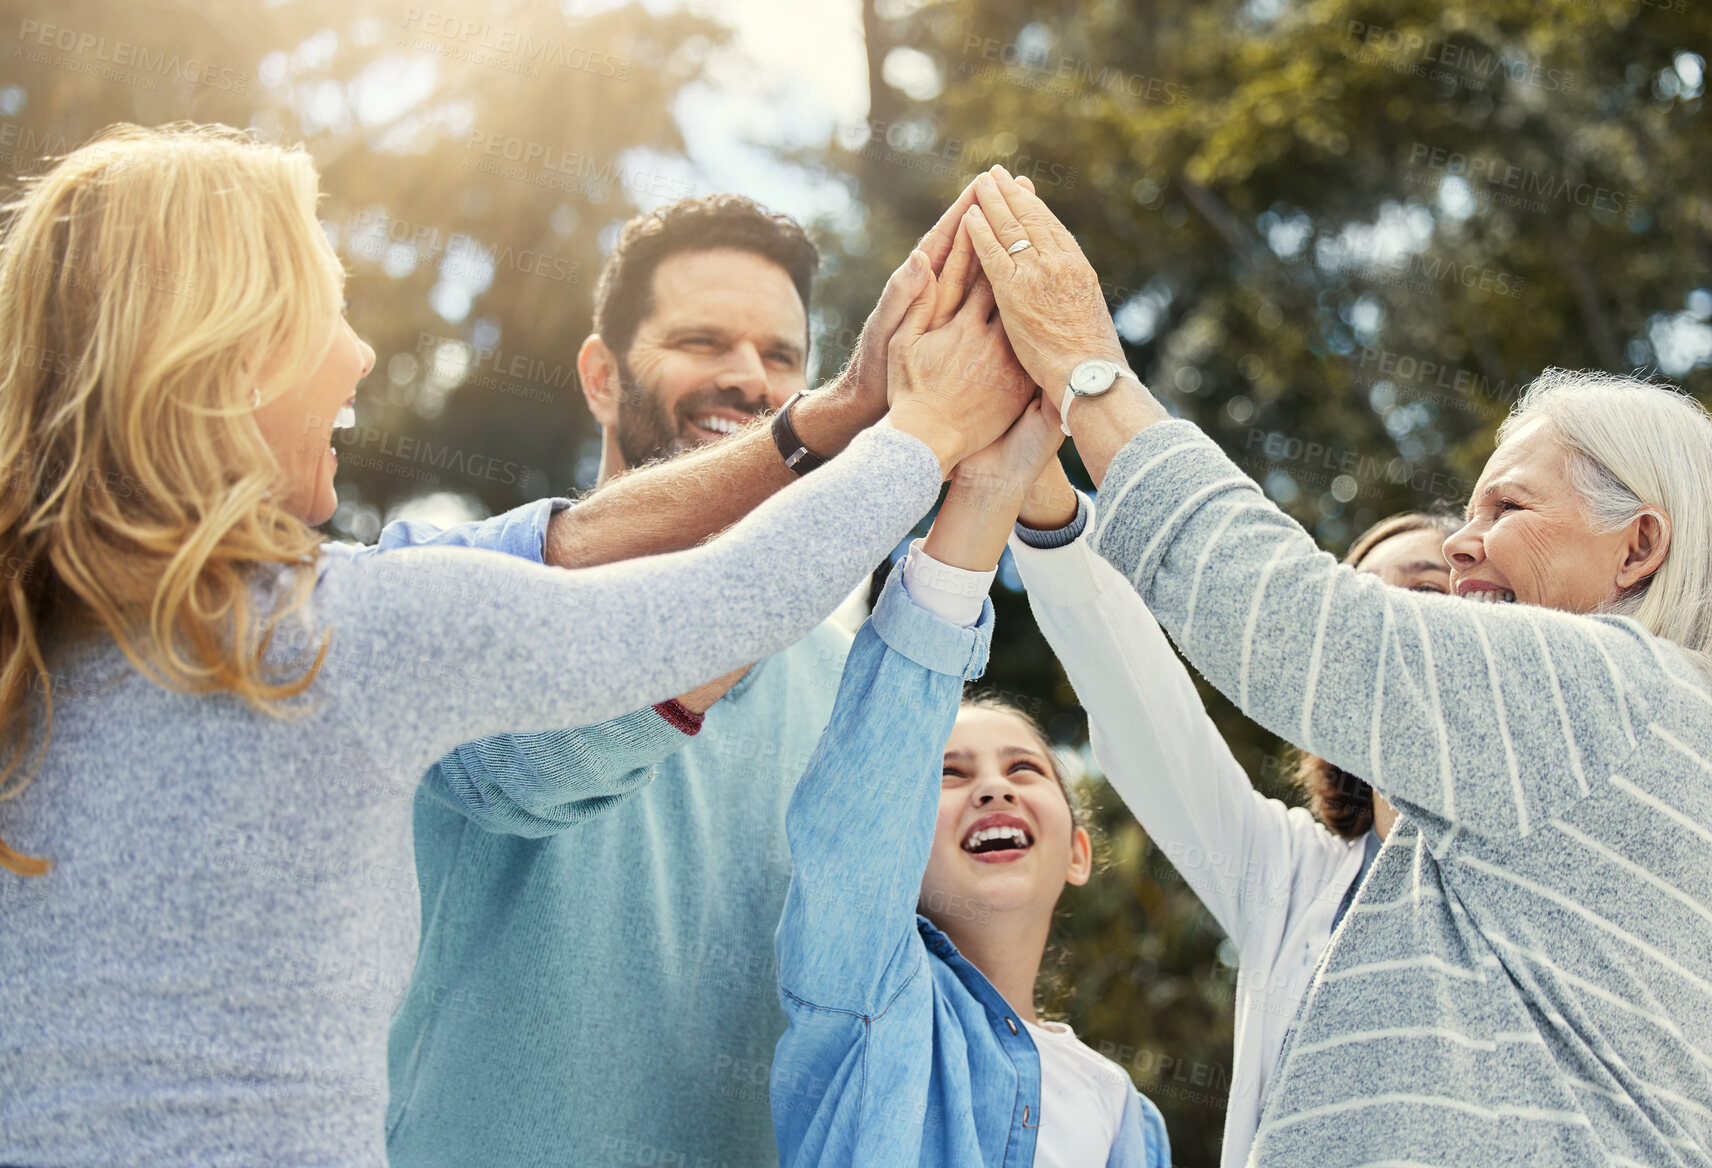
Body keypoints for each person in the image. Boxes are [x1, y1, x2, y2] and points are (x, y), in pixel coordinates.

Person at [0, 125, 1031, 1165]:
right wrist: (927, 427)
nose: (359, 351)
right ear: (223, 352)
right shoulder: (346, 635)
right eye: (322, 310)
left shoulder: (36, 671)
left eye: (778, 356)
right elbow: (724, 598)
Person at [961, 163, 1712, 1165]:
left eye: (1507, 509)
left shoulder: (1611, 691)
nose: (1454, 551)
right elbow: (1152, 716)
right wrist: (1040, 503)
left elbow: (1289, 616)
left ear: (1638, 546)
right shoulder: (1394, 864)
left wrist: (1086, 368)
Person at [383, 188, 1015, 1167]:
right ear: (600, 376)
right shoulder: (469, 593)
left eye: (780, 358)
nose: (748, 380)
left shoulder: (848, 685)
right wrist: (883, 437)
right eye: (703, 341)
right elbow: (532, 763)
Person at [768, 319, 1171, 1166]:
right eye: (947, 774)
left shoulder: (1129, 1120)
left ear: (1078, 851)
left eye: (1025, 768)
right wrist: (989, 491)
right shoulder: (868, 999)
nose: (993, 787)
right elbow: (864, 802)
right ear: (902, 836)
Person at [1005, 482, 1458, 1168]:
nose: (1384, 624)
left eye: (1427, 592)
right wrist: (1039, 498)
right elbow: (1142, 707)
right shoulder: (1293, 875)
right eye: (1358, 605)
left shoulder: (1570, 859)